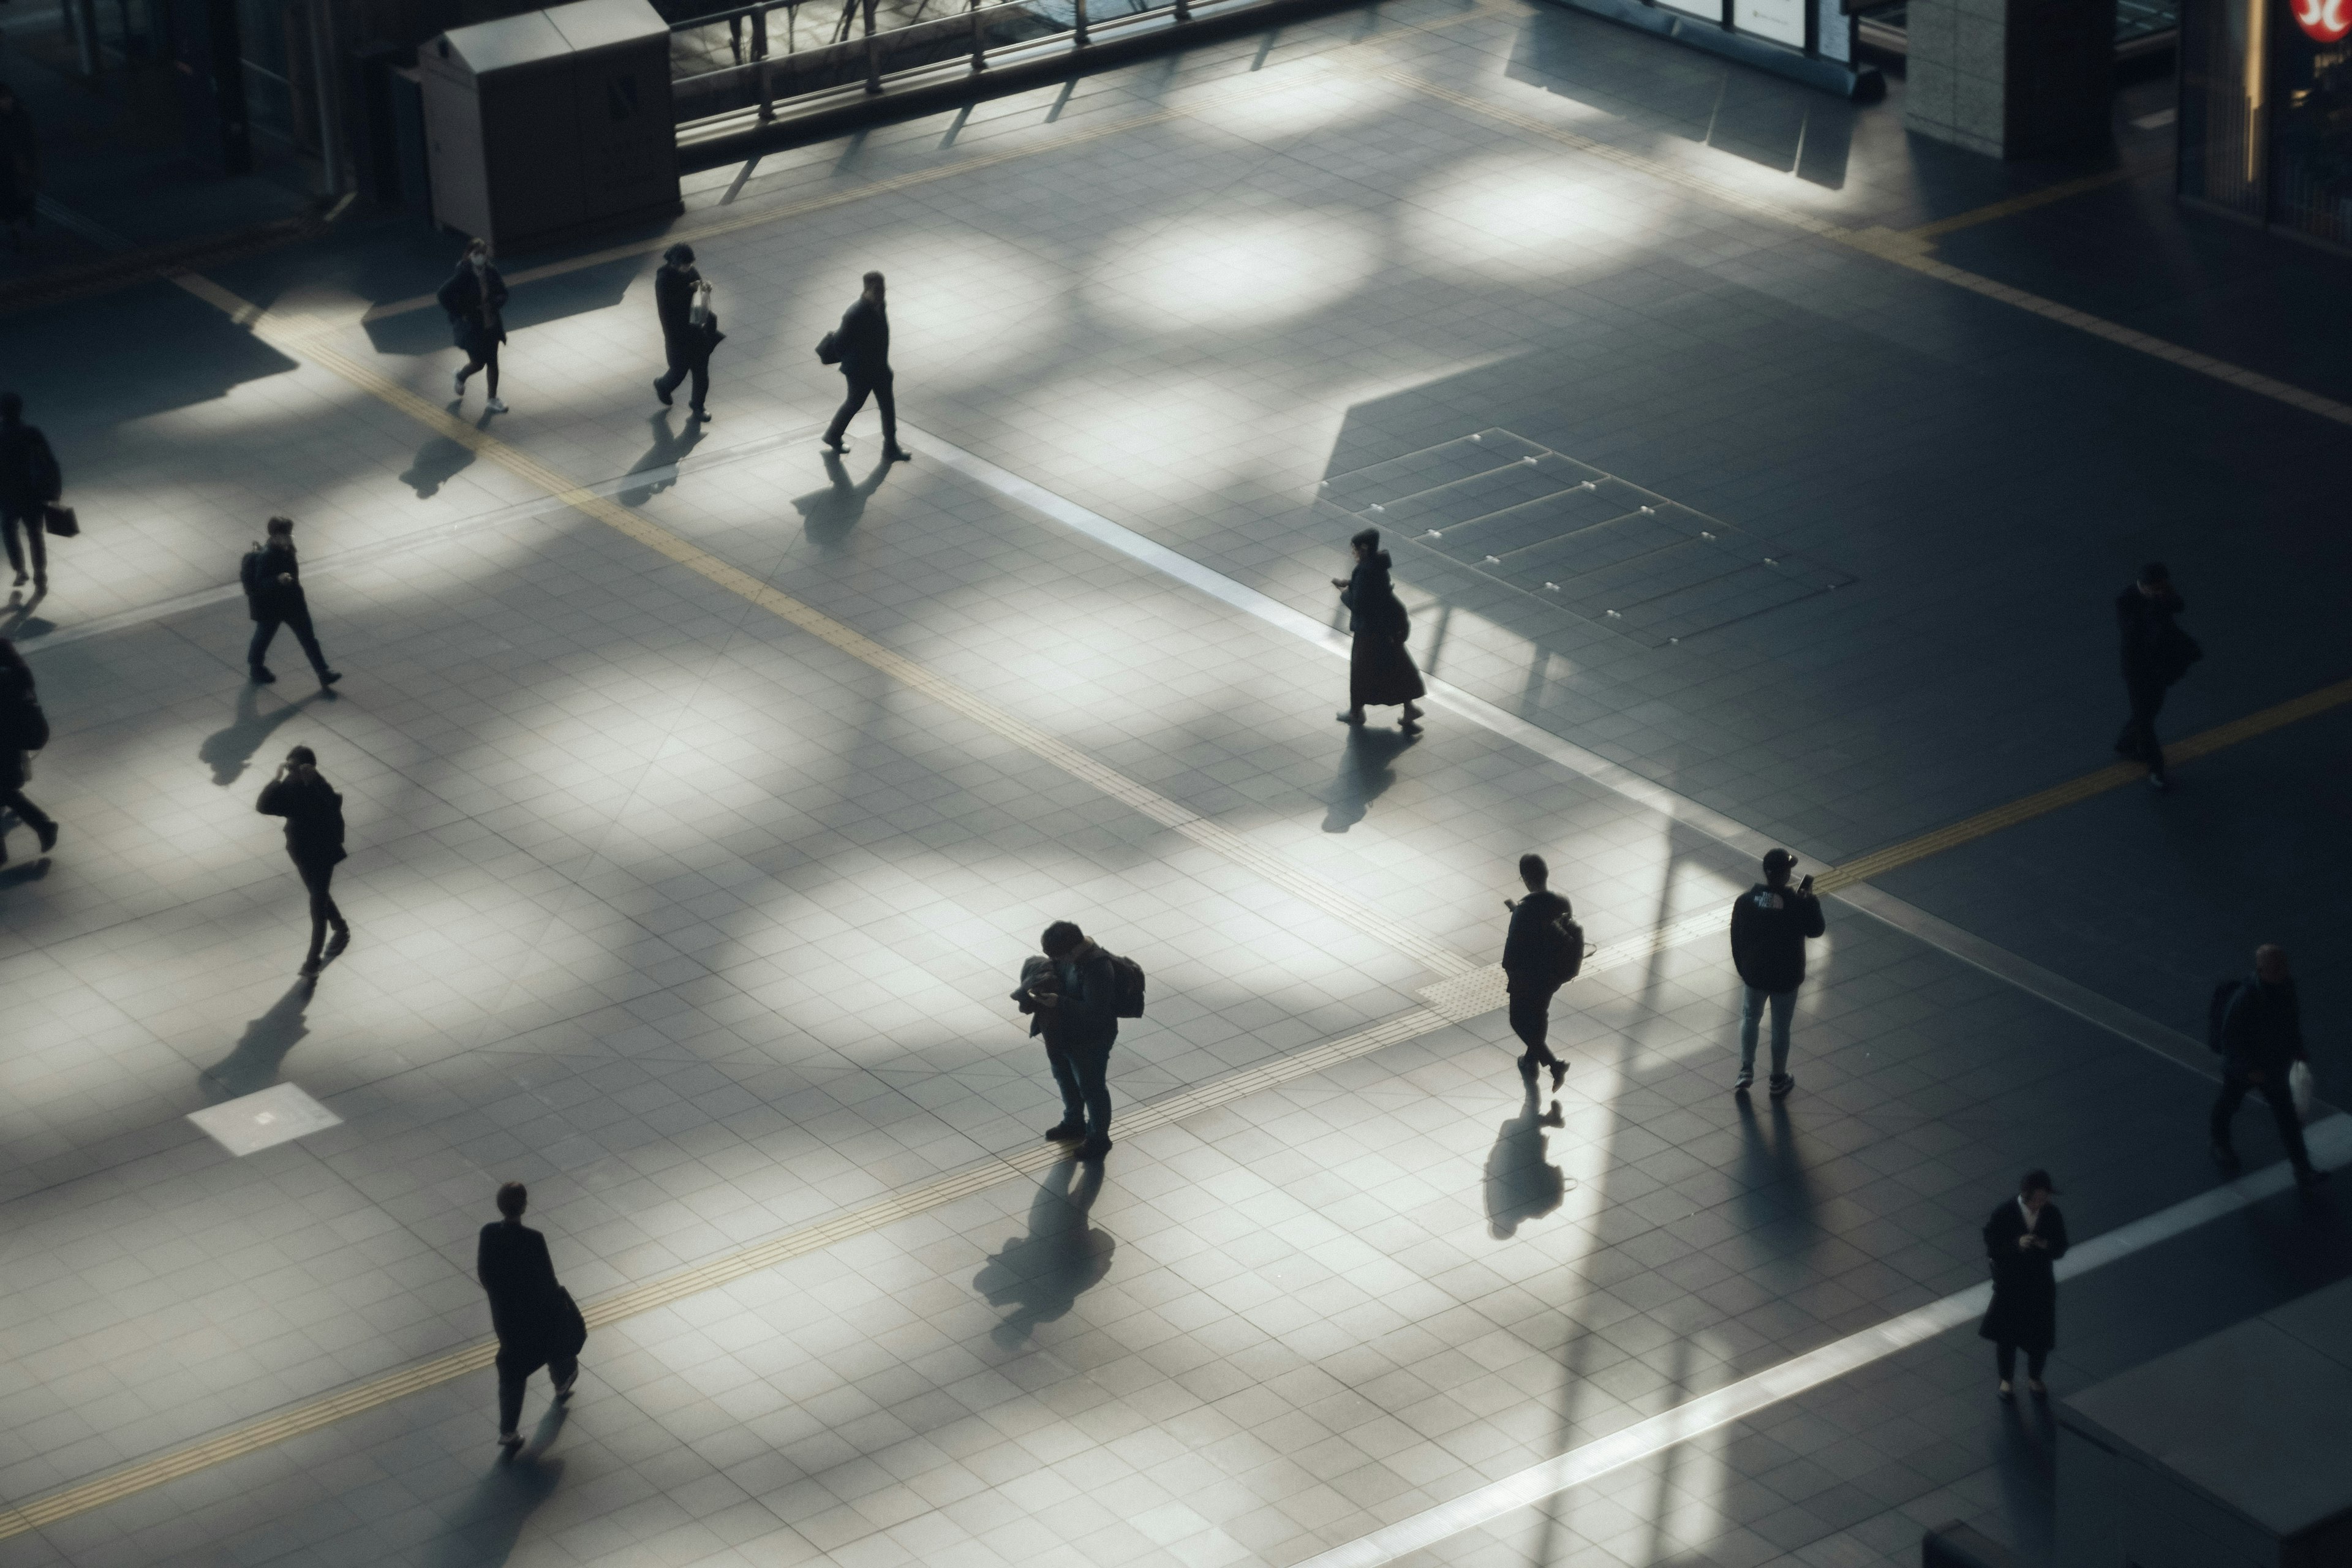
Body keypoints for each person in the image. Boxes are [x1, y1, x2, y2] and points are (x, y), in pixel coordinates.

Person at [478, 1182, 586, 1452]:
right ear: (524, 1206)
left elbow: (485, 1276)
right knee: (555, 1345)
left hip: (507, 1320)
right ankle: (562, 1382)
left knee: (512, 1369)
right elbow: (548, 1282)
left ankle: (509, 1431)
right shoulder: (534, 1239)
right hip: (536, 1316)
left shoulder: (488, 1234)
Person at [2211, 944, 2327, 1189]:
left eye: (2283, 966)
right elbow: (2231, 1037)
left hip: (2269, 1068)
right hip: (2250, 1068)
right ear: (2262, 969)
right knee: (2231, 1103)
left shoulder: (2282, 988)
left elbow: (2291, 1022)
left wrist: (2298, 1049)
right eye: (2277, 968)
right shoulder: (2246, 998)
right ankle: (2220, 1141)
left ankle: (2302, 1167)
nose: (2282, 971)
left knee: (2283, 1116)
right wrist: (2249, 1068)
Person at [1728, 848, 1824, 1098]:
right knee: (1781, 1028)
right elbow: (1816, 930)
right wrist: (1810, 901)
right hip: (1786, 978)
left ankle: (1746, 1069)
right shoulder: (1797, 904)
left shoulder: (1746, 901)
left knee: (1750, 1018)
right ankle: (1777, 1078)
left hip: (1755, 976)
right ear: (1785, 874)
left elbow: (1736, 939)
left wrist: (1744, 970)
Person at [255, 745, 350, 976]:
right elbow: (263, 807)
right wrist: (275, 780)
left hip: (322, 852)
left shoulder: (320, 789)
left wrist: (314, 782)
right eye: (289, 768)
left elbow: (328, 808)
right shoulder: (289, 786)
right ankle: (340, 927)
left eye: (296, 768)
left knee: (317, 905)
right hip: (300, 851)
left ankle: (313, 961)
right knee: (319, 894)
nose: (292, 772)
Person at [1027, 921, 1118, 1161]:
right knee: (1065, 1078)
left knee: (1092, 1087)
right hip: (1062, 1033)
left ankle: (1099, 1138)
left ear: (1073, 950)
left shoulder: (1098, 967)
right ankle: (1074, 1122)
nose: (1055, 960)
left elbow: (1095, 1011)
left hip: (1091, 1038)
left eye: (1057, 956)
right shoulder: (1066, 958)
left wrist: (1058, 1002)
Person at [1980, 1169, 2067, 1401]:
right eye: (2038, 1198)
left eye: (2045, 1198)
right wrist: (2016, 1244)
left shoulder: (2051, 1214)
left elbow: (2061, 1246)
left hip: (2039, 1286)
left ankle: (2035, 1377)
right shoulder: (2005, 1213)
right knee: (2007, 1337)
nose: (2041, 1203)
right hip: (2012, 1286)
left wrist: (2044, 1244)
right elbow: (1993, 1247)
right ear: (2026, 1195)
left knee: (2041, 1337)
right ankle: (2006, 1380)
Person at [1331, 527, 1425, 731]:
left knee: (1360, 672)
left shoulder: (1364, 570)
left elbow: (1361, 605)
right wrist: (1351, 584)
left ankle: (1356, 712)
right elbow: (1375, 592)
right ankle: (1409, 707)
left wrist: (1344, 591)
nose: (1353, 554)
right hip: (1386, 630)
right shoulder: (1378, 566)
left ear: (1364, 549)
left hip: (1369, 632)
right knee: (1395, 668)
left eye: (1355, 550)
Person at [2114, 562, 2197, 791]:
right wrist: (2154, 605)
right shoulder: (2126, 600)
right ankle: (2156, 769)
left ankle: (2126, 743)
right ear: (2148, 586)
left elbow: (2180, 606)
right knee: (2146, 719)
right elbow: (2132, 631)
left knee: (2150, 710)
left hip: (2160, 663)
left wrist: (2164, 598)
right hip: (2138, 668)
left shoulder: (2164, 593)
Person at [241, 516, 341, 690]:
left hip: (293, 604)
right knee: (263, 638)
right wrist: (277, 580)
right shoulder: (267, 556)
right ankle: (256, 667)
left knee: (309, 639)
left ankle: (323, 672)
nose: (291, 537)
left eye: (290, 533)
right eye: (288, 534)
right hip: (273, 608)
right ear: (276, 536)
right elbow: (260, 584)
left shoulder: (288, 549)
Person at [1500, 853, 1573, 1090]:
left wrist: (1511, 974)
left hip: (1528, 976)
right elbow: (1557, 932)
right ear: (1546, 873)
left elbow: (1513, 949)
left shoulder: (1525, 910)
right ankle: (1531, 1060)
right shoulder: (1562, 902)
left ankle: (1554, 1064)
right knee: (1540, 1014)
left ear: (1526, 879)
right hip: (1554, 974)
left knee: (1518, 1020)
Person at [820, 271, 908, 462]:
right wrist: (858, 360)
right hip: (861, 371)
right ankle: (833, 435)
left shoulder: (879, 305)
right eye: (878, 289)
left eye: (884, 289)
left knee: (887, 405)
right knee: (854, 403)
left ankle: (890, 446)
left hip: (879, 368)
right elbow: (840, 344)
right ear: (867, 289)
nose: (882, 293)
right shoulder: (855, 313)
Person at [0, 637, 56, 865]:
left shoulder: (5, 679)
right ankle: (42, 825)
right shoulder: (18, 672)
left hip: (7, 739)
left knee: (4, 790)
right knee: (4, 791)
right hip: (18, 736)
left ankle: (43, 825)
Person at [439, 239, 510, 415]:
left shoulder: (491, 272)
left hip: (491, 322)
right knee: (479, 363)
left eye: (484, 253)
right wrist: (459, 312)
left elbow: (503, 293)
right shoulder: (463, 275)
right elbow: (443, 295)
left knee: (493, 361)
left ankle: (492, 399)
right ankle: (460, 376)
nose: (481, 257)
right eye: (477, 253)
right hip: (473, 326)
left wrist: (493, 304)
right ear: (469, 255)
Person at [651, 243, 720, 420]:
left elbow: (698, 289)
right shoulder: (664, 278)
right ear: (674, 263)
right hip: (677, 333)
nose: (688, 268)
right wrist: (689, 289)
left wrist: (704, 287)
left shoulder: (691, 272)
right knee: (679, 371)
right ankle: (663, 386)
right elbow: (668, 305)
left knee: (701, 372)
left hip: (696, 329)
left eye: (690, 264)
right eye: (684, 265)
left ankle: (698, 406)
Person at [0, 392, 61, 591]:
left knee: (9, 529)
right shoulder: (32, 433)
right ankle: (40, 575)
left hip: (8, 494)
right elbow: (50, 462)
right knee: (35, 534)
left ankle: (19, 569)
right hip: (34, 492)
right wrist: (55, 491)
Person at [0, 83, 35, 251]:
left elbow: (30, 139)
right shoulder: (19, 115)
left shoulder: (20, 115)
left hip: (17, 166)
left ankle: (22, 230)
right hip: (6, 169)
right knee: (10, 202)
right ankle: (18, 232)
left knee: (23, 200)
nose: (6, 102)